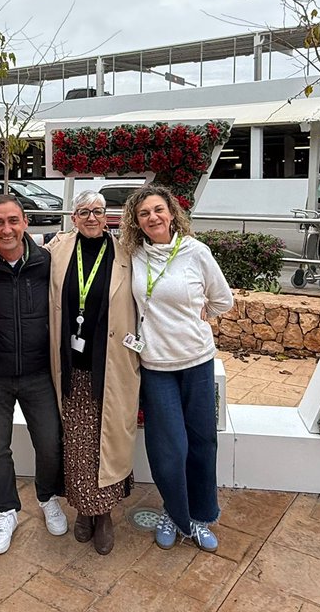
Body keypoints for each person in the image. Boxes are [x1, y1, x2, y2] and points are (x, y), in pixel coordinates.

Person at [120, 184, 233, 552]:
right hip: (155, 365)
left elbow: (223, 299)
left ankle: (199, 517)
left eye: (158, 210)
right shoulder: (134, 255)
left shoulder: (195, 252)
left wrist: (204, 317)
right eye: (144, 214)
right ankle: (174, 511)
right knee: (168, 448)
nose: (153, 217)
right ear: (137, 223)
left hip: (196, 361)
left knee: (201, 443)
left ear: (172, 213)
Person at [47, 190, 141, 555]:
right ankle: (83, 511)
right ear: (73, 217)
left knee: (109, 442)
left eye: (98, 212)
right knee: (77, 444)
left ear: (108, 217)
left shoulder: (127, 254)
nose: (91, 217)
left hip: (111, 366)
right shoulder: (57, 250)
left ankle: (104, 515)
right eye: (84, 211)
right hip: (72, 368)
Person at [0, 194, 68, 554]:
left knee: (49, 444)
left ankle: (47, 498)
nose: (6, 229)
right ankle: (6, 510)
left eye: (13, 220)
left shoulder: (46, 262)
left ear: (25, 222)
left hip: (38, 373)